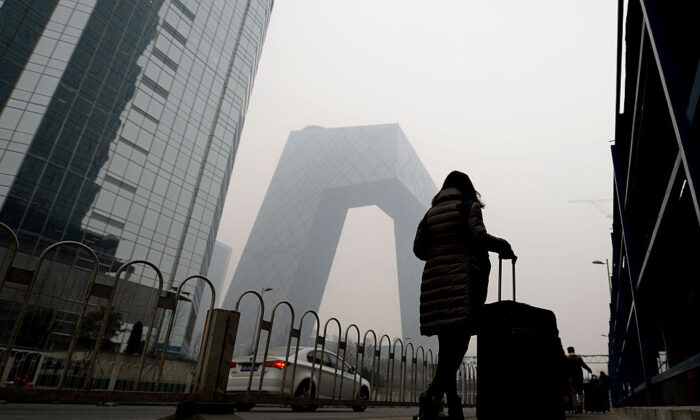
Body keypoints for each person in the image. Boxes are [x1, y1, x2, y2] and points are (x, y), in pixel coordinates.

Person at [413, 170, 516, 420]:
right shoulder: (468, 207)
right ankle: (431, 396)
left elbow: (419, 249)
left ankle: (452, 408)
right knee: (456, 349)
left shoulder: (430, 214)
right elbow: (479, 237)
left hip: (434, 286)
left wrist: (440, 254)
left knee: (447, 350)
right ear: (468, 188)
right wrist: (503, 245)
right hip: (461, 285)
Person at [566, 346, 592, 413]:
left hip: (571, 379)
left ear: (568, 351)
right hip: (579, 378)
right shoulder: (578, 358)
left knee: (573, 393)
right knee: (580, 393)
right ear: (574, 351)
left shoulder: (567, 359)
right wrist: (589, 369)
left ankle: (575, 408)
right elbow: (583, 365)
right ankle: (579, 405)